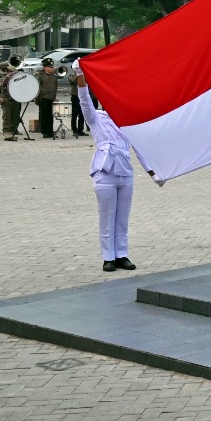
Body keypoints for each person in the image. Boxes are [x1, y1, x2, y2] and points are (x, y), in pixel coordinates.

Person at [75, 70, 153, 273]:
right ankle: (108, 257)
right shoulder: (96, 118)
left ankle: (122, 254)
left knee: (123, 217)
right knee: (107, 216)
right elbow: (84, 101)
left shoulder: (126, 120)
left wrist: (152, 171)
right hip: (105, 174)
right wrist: (80, 76)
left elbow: (139, 147)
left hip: (125, 174)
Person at [0, 55, 22, 140]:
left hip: (15, 100)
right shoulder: (2, 80)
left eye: (11, 72)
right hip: (6, 100)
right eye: (9, 71)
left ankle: (12, 131)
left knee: (15, 117)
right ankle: (6, 132)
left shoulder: (17, 81)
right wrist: (0, 98)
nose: (9, 73)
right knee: (7, 117)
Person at [35, 58, 59, 138]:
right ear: (45, 67)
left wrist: (55, 96)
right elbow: (37, 87)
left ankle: (50, 131)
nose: (52, 68)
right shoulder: (40, 76)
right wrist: (37, 99)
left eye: (52, 67)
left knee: (50, 116)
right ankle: (44, 132)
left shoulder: (54, 76)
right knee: (44, 116)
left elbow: (55, 87)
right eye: (50, 67)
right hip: (43, 97)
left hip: (51, 98)